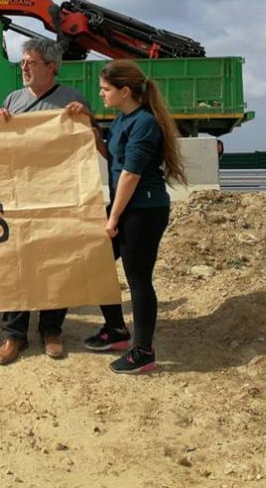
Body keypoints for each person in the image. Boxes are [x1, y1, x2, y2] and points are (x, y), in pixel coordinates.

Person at [66, 60, 186, 374]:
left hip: (144, 210)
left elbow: (131, 174)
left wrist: (112, 218)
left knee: (138, 278)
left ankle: (143, 351)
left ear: (125, 91)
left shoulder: (144, 123)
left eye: (105, 89)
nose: (101, 93)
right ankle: (117, 330)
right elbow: (113, 155)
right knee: (97, 261)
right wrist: (89, 126)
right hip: (126, 206)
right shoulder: (123, 119)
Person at [0, 39, 93, 364]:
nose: (24, 67)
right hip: (18, 196)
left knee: (55, 263)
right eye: (23, 62)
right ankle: (13, 334)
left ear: (52, 67)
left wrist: (85, 119)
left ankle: (51, 329)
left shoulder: (72, 100)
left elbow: (89, 146)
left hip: (57, 195)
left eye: (31, 62)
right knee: (18, 263)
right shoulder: (13, 99)